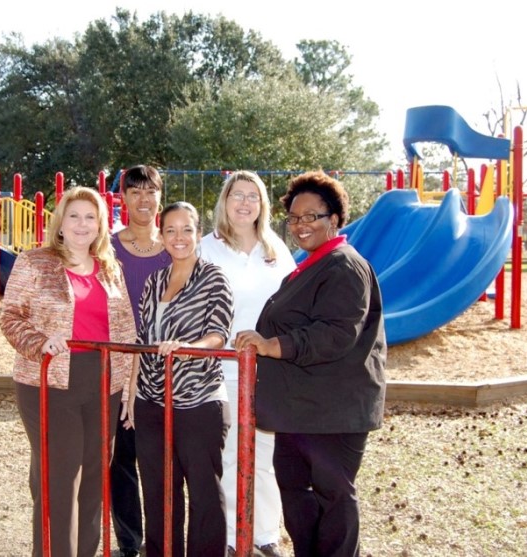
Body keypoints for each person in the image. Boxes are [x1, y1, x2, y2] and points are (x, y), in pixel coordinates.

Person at [234, 170, 387, 557]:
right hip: (301, 410)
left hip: (333, 411)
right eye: (295, 218)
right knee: (296, 491)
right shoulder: (314, 263)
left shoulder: (344, 267)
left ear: (334, 219)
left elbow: (336, 333)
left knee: (333, 497)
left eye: (312, 216)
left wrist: (273, 345)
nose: (302, 225)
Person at [0, 186, 136, 557]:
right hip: (49, 378)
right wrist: (39, 340)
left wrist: (126, 388)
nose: (82, 224)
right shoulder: (34, 262)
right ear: (60, 223)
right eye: (74, 216)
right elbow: (10, 317)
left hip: (103, 380)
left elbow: (126, 332)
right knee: (60, 477)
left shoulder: (111, 269)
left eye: (90, 217)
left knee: (94, 476)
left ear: (101, 226)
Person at [125, 201, 234, 557]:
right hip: (152, 402)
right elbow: (143, 342)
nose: (179, 237)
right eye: (170, 230)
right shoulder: (154, 281)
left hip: (198, 401)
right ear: (161, 234)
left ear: (198, 234)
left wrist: (190, 347)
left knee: (203, 491)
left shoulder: (213, 277)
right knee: (157, 491)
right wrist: (131, 393)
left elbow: (219, 333)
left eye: (186, 229)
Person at [199, 171, 296, 557]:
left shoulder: (276, 249)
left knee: (267, 453)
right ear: (224, 201)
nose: (244, 203)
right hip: (221, 369)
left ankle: (264, 534)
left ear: (262, 205)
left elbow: (292, 303)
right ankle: (228, 534)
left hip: (267, 370)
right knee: (228, 453)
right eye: (236, 195)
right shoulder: (207, 247)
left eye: (252, 196)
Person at [110, 165, 171, 557]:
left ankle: (162, 539)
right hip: (117, 363)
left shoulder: (176, 244)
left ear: (160, 198)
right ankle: (129, 542)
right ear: (123, 198)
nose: (143, 199)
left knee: (162, 458)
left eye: (151, 191)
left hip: (164, 364)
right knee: (122, 458)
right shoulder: (108, 246)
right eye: (135, 192)